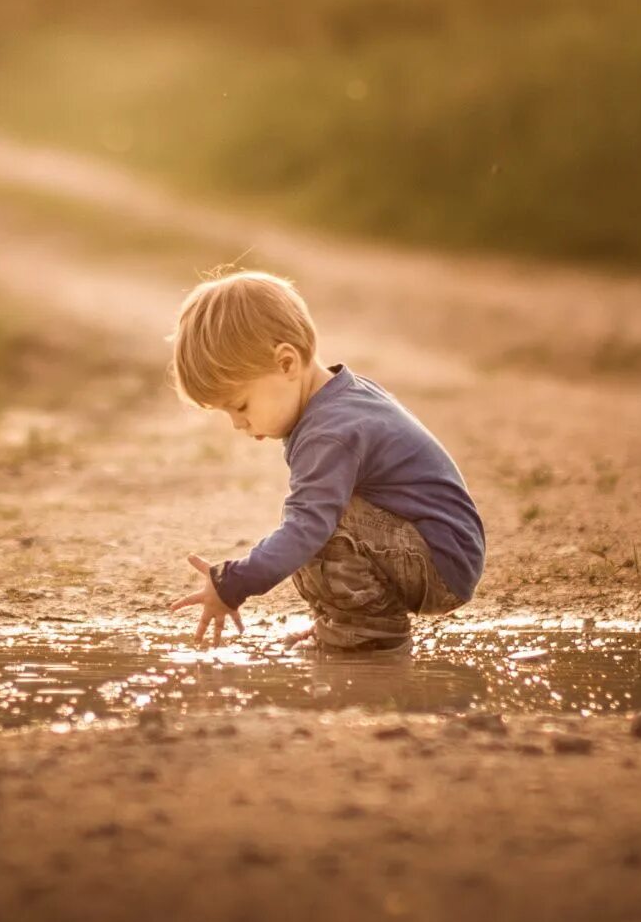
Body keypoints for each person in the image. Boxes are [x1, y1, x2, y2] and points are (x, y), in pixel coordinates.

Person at [166, 269, 485, 650]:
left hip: (439, 561)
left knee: (309, 529)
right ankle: (344, 622)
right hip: (436, 549)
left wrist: (233, 582)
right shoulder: (338, 398)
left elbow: (308, 529)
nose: (237, 424)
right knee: (307, 523)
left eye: (240, 405)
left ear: (286, 363)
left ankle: (369, 634)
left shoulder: (329, 431)